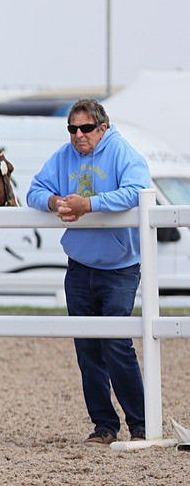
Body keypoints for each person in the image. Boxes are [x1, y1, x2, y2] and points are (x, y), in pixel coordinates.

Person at [26, 98, 151, 445]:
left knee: (116, 344)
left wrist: (88, 205)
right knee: (87, 347)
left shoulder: (124, 153)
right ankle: (104, 426)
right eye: (72, 129)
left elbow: (137, 192)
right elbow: (34, 190)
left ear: (103, 128)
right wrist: (54, 203)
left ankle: (141, 424)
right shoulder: (63, 157)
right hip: (80, 265)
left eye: (85, 128)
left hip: (120, 266)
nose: (78, 135)